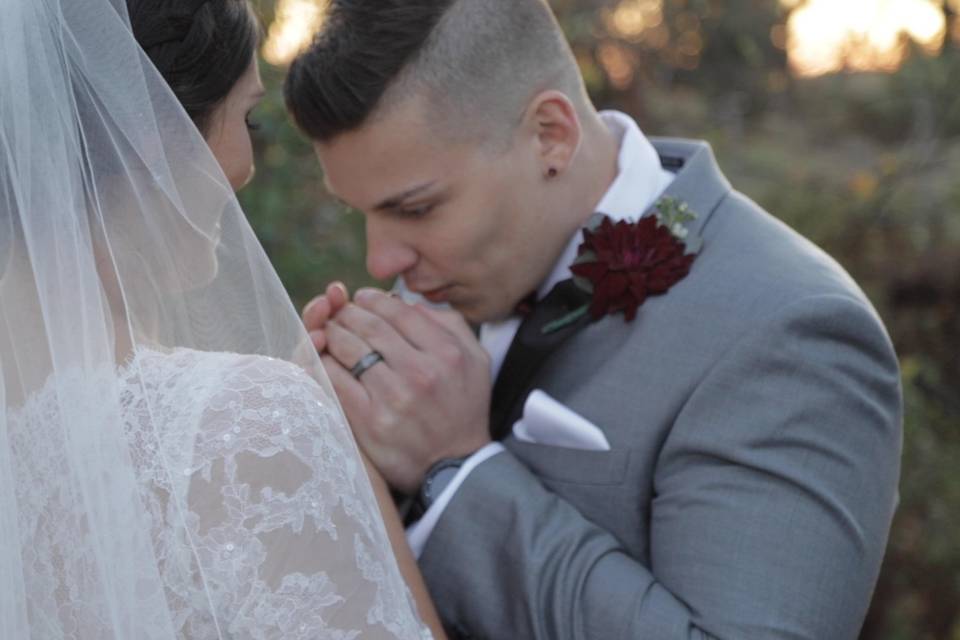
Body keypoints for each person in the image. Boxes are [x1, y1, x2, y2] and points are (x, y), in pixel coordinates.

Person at [286, 0, 904, 637]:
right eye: (359, 212)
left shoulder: (792, 332)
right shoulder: (442, 292)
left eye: (416, 210)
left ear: (550, 135)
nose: (380, 258)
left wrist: (456, 471)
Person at [0, 0, 444, 637]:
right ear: (155, 140)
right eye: (250, 119)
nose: (249, 164)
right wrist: (340, 449)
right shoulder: (246, 429)